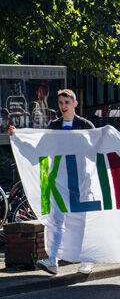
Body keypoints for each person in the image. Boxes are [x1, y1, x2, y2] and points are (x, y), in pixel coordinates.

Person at [9, 89, 95, 275]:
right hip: (59, 179)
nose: (63, 106)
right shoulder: (54, 126)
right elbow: (39, 148)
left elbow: (95, 149)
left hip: (80, 181)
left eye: (67, 102)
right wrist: (18, 137)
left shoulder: (85, 125)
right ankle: (53, 260)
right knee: (56, 220)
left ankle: (87, 259)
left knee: (81, 221)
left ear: (75, 104)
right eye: (61, 103)